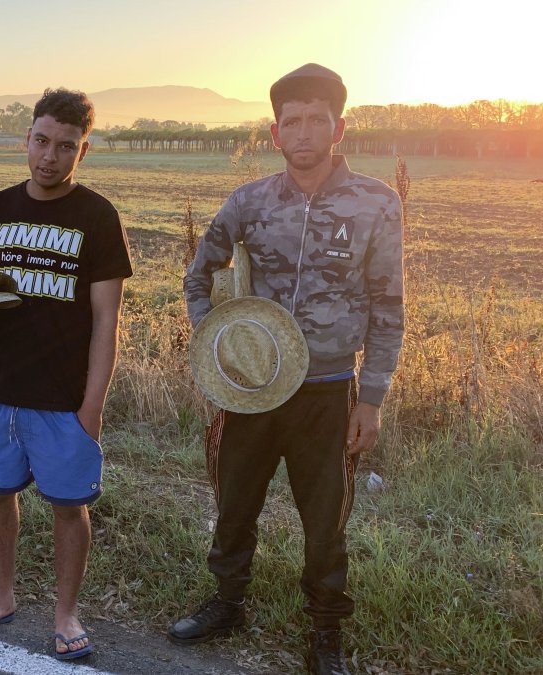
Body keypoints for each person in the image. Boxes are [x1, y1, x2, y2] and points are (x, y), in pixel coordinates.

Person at [173, 63, 404, 675]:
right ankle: (227, 602)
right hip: (251, 388)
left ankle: (325, 630)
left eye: (316, 120)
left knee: (326, 519)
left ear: (339, 128)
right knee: (235, 502)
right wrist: (217, 343)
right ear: (275, 132)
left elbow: (388, 307)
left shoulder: (376, 203)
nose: (304, 133)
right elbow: (199, 274)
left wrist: (371, 399)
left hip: (328, 390)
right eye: (292, 121)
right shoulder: (248, 201)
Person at [0, 88, 133, 660]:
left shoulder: (97, 217)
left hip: (64, 399)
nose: (49, 157)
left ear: (84, 150)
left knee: (69, 506)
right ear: (26, 138)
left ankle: (65, 614)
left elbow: (107, 322)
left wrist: (92, 407)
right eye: (41, 141)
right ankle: (1, 596)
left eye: (66, 146)